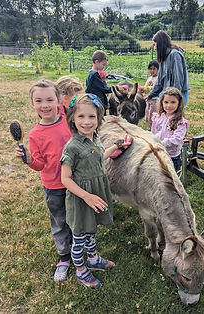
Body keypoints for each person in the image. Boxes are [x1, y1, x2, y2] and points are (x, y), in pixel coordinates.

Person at [60, 93, 131, 289]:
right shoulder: (72, 147)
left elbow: (98, 155)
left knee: (92, 230)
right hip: (82, 198)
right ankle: (81, 270)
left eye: (92, 116)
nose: (86, 122)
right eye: (81, 116)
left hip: (97, 192)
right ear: (72, 118)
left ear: (99, 118)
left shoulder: (96, 138)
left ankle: (92, 259)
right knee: (79, 238)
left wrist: (116, 147)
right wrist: (87, 196)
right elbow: (64, 178)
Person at [15, 79, 75, 282]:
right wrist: (30, 160)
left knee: (77, 219)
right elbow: (39, 164)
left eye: (50, 99)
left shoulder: (69, 121)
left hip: (75, 183)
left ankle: (79, 249)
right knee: (60, 222)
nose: (45, 105)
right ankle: (64, 257)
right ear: (32, 104)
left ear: (60, 100)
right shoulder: (34, 134)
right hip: (54, 186)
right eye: (39, 101)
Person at [147, 30, 190, 107]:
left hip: (177, 94)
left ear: (160, 43)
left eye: (154, 44)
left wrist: (173, 99)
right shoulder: (164, 57)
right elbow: (160, 80)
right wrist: (151, 94)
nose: (154, 48)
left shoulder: (175, 55)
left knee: (174, 117)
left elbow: (178, 79)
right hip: (166, 93)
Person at [151, 87, 189, 171]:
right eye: (166, 102)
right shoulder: (158, 117)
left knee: (170, 177)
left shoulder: (180, 122)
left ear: (179, 103)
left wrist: (161, 143)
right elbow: (153, 132)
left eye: (173, 102)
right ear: (162, 103)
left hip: (171, 155)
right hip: (158, 152)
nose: (169, 105)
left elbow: (177, 139)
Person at [85, 50, 124, 114]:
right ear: (96, 62)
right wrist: (117, 88)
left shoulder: (91, 73)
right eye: (103, 64)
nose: (104, 66)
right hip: (97, 103)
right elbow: (104, 89)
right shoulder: (94, 75)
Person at [139, 60, 159, 129]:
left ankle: (154, 129)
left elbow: (153, 89)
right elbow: (146, 88)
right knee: (147, 116)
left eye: (154, 69)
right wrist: (142, 89)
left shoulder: (158, 79)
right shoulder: (149, 78)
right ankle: (150, 128)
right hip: (148, 100)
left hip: (155, 100)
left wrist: (146, 89)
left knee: (152, 116)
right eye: (150, 69)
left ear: (158, 70)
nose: (152, 71)